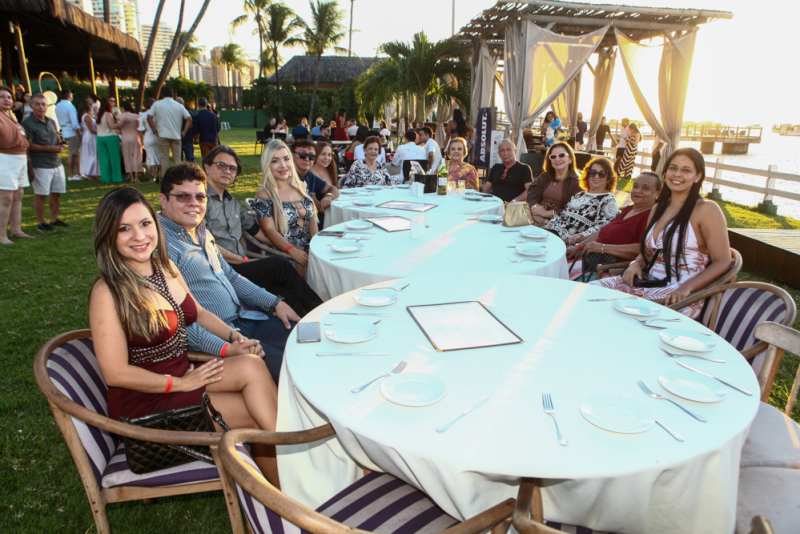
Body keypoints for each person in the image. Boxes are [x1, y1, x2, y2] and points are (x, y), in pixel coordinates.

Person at [88, 186, 281, 486]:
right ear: (108, 236)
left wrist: (234, 339)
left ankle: (286, 480)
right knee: (258, 418)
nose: (139, 236)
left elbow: (199, 313)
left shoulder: (163, 267)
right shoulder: (107, 292)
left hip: (184, 379)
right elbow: (115, 373)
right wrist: (179, 383)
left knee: (253, 364)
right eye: (124, 229)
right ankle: (288, 494)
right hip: (145, 408)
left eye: (144, 223)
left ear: (155, 223)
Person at [157, 162, 300, 384]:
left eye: (200, 197)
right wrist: (227, 347)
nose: (193, 203)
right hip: (221, 340)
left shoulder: (200, 231)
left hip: (246, 321)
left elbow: (231, 277)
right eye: (183, 196)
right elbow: (179, 323)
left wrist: (275, 303)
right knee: (295, 372)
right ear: (163, 200)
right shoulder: (161, 247)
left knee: (308, 343)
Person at [592, 148, 731, 318]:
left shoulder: (706, 210)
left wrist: (686, 288)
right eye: (673, 168)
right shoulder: (658, 208)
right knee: (590, 293)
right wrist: (636, 262)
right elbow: (649, 250)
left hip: (680, 295)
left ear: (698, 176)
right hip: (649, 281)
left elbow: (723, 261)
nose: (677, 174)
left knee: (610, 311)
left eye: (686, 170)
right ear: (665, 173)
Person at [201, 145, 323, 314]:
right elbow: (205, 243)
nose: (227, 171)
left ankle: (305, 326)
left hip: (241, 267)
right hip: (222, 269)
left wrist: (292, 247)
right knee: (280, 265)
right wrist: (244, 260)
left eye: (232, 168)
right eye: (221, 165)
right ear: (207, 167)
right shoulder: (200, 201)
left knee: (289, 296)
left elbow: (258, 233)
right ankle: (322, 310)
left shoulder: (232, 203)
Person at [566, 172, 661, 280]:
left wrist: (602, 248)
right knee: (554, 266)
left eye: (645, 188)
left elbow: (642, 249)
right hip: (590, 258)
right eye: (635, 186)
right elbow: (603, 232)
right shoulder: (629, 209)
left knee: (560, 277)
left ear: (657, 194)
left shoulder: (649, 217)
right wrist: (578, 246)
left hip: (605, 266)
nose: (638, 190)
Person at [253, 140, 319, 277]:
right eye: (275, 161)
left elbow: (312, 217)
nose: (283, 165)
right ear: (267, 165)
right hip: (282, 252)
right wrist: (292, 250)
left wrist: (316, 243)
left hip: (305, 248)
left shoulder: (301, 185)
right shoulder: (265, 194)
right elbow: (269, 230)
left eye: (286, 159)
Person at [22, 93, 70, 232]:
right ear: (31, 105)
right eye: (37, 104)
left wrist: (60, 144)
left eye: (43, 104)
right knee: (41, 194)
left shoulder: (50, 121)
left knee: (56, 193)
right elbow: (29, 145)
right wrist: (50, 148)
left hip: (56, 163)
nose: (41, 107)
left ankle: (54, 219)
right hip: (40, 164)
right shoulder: (27, 123)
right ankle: (41, 223)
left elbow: (56, 137)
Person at [545, 157, 619, 244]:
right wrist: (548, 226)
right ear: (588, 176)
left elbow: (602, 228)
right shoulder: (579, 195)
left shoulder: (608, 200)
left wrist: (580, 236)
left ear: (608, 178)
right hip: (553, 232)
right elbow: (563, 214)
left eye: (602, 174)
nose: (596, 176)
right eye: (592, 173)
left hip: (568, 240)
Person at [0, 85, 34, 244]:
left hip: (19, 159)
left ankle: (16, 230)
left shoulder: (11, 116)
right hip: (4, 158)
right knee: (5, 198)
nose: (6, 100)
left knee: (18, 195)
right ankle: (1, 235)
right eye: (2, 97)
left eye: (8, 97)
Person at [526, 142, 582, 226]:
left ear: (570, 158)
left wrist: (546, 213)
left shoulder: (577, 182)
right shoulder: (545, 176)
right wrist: (535, 209)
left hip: (561, 223)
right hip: (536, 217)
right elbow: (532, 193)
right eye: (553, 156)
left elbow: (572, 210)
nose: (557, 159)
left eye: (562, 155)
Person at [148, 87, 192, 178]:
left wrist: (154, 130)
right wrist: (184, 132)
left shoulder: (157, 104)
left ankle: (164, 178)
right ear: (173, 95)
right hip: (176, 135)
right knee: (177, 158)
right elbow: (189, 119)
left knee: (164, 157)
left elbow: (149, 117)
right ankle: (179, 177)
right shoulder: (179, 106)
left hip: (163, 134)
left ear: (162, 95)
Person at [291, 139, 339, 221]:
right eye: (302, 154)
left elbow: (333, 189)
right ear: (291, 155)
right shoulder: (288, 177)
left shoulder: (309, 176)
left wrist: (329, 196)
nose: (307, 159)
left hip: (311, 222)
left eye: (311, 156)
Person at [55, 90, 83, 181]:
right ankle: (71, 175)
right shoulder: (70, 106)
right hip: (72, 132)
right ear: (69, 96)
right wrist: (78, 134)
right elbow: (74, 123)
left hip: (64, 131)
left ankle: (78, 173)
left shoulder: (57, 106)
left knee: (75, 153)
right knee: (72, 153)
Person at [94, 97, 124, 184]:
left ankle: (106, 178)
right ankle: (117, 177)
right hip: (110, 137)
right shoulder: (108, 114)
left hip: (100, 137)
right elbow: (112, 125)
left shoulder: (98, 115)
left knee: (104, 159)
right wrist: (122, 123)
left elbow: (96, 126)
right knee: (115, 158)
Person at [118, 101, 143, 183]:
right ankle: (137, 177)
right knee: (137, 156)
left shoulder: (119, 117)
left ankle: (131, 177)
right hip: (135, 137)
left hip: (125, 137)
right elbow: (139, 129)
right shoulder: (136, 116)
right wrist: (142, 140)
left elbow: (118, 128)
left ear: (123, 107)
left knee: (127, 156)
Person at [138, 98, 160, 182]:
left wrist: (141, 141)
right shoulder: (157, 115)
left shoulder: (143, 115)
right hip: (158, 136)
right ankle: (161, 174)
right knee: (160, 157)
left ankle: (155, 176)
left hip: (148, 136)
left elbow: (140, 130)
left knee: (151, 157)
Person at [78, 99, 100, 180]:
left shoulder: (83, 116)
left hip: (86, 135)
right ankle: (89, 172)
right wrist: (101, 133)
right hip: (90, 136)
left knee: (90, 154)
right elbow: (91, 129)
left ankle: (91, 172)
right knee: (93, 154)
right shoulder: (87, 116)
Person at [175, 97, 195, 164]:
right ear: (183, 104)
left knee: (179, 160)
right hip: (188, 139)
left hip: (177, 139)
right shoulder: (190, 114)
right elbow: (194, 127)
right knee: (190, 159)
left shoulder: (173, 115)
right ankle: (191, 173)